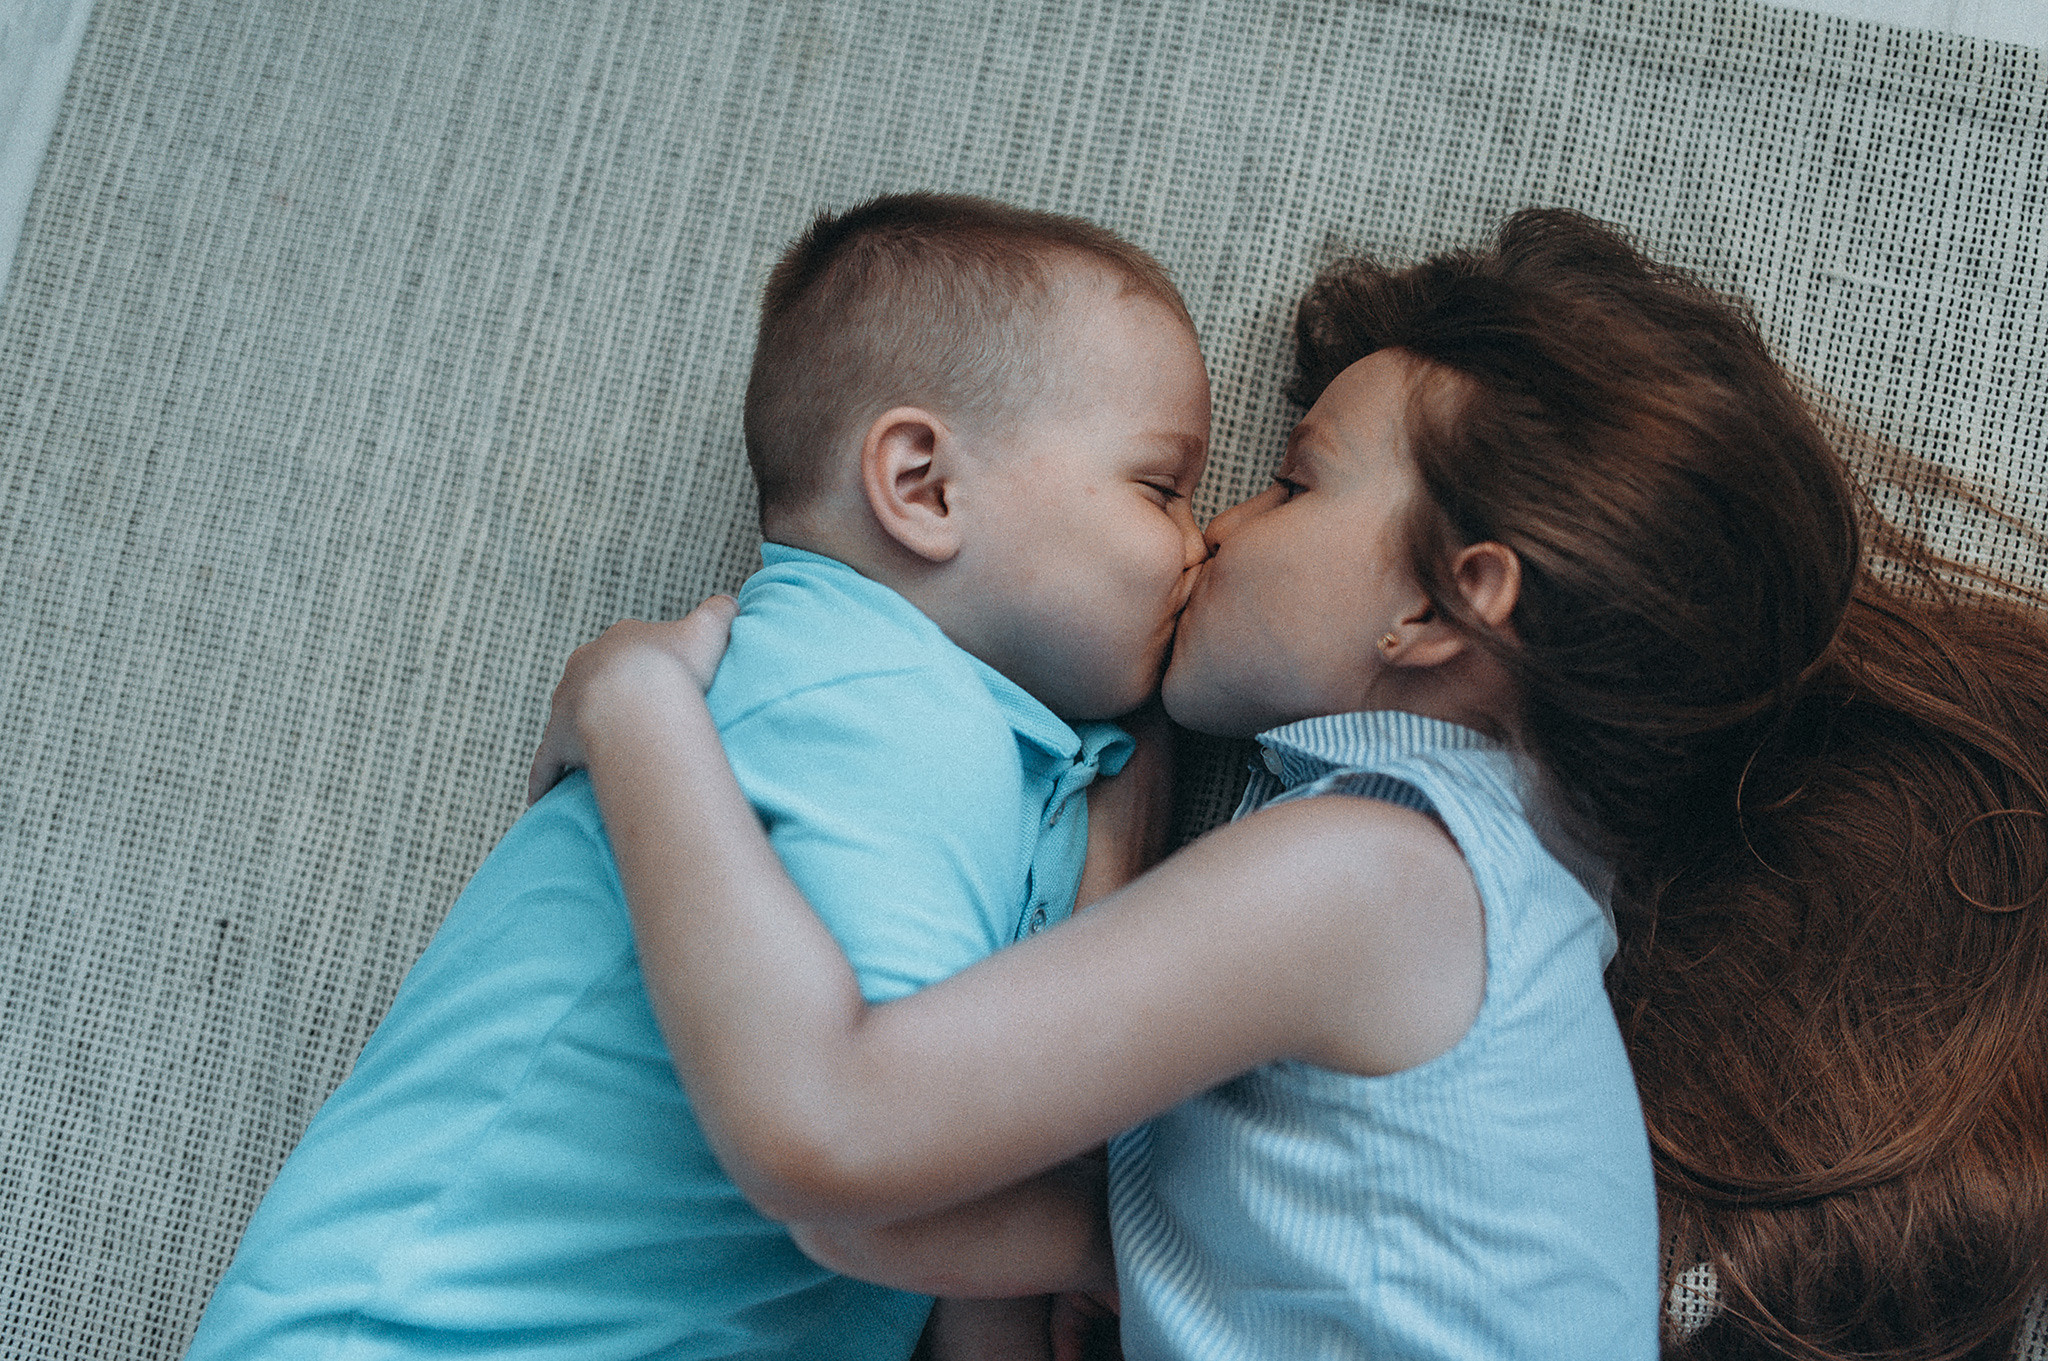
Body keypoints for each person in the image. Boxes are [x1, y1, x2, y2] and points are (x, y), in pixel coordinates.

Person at [533, 208, 2048, 1360]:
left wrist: (637, 704)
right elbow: (915, 1195)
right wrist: (1126, 806)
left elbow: (826, 1137)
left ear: (1443, 606)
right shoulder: (1485, 920)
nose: (1218, 531)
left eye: (1294, 480)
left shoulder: (1381, 886)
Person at [183, 192, 1211, 1360]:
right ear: (922, 485)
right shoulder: (870, 699)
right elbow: (873, 1168)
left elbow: (947, 1198)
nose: (1199, 538)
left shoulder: (989, 749)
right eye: (1160, 488)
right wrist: (1130, 1240)